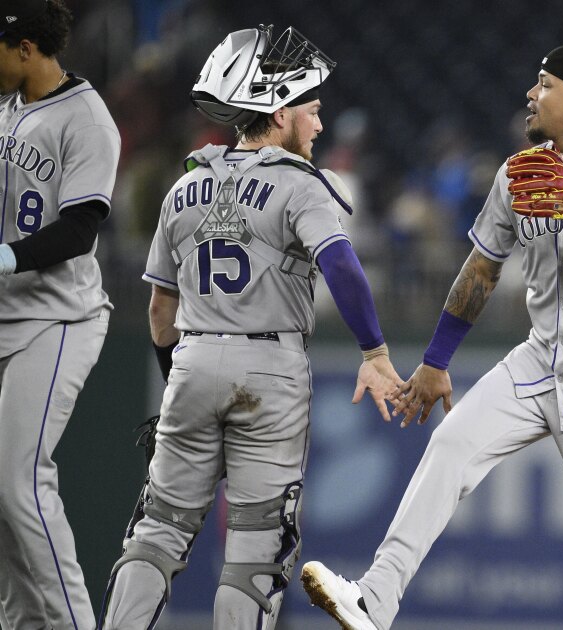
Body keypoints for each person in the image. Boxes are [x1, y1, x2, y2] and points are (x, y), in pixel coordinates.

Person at [300, 44, 563, 630]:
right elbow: (481, 269)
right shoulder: (522, 172)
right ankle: (374, 601)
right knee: (451, 446)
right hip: (540, 362)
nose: (531, 94)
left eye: (544, 83)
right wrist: (436, 361)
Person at [98, 25, 403, 629]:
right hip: (270, 366)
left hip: (190, 361)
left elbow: (161, 310)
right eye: (310, 110)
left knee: (157, 531)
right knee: (256, 552)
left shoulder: (184, 186)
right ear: (280, 109)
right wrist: (374, 349)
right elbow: (339, 262)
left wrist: (176, 384)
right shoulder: (300, 183)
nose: (317, 125)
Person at [0, 1, 120, 628]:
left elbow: (79, 230)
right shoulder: (8, 108)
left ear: (25, 48)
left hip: (59, 319)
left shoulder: (87, 119)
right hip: (8, 315)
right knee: (1, 498)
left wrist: (2, 257)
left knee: (20, 482)